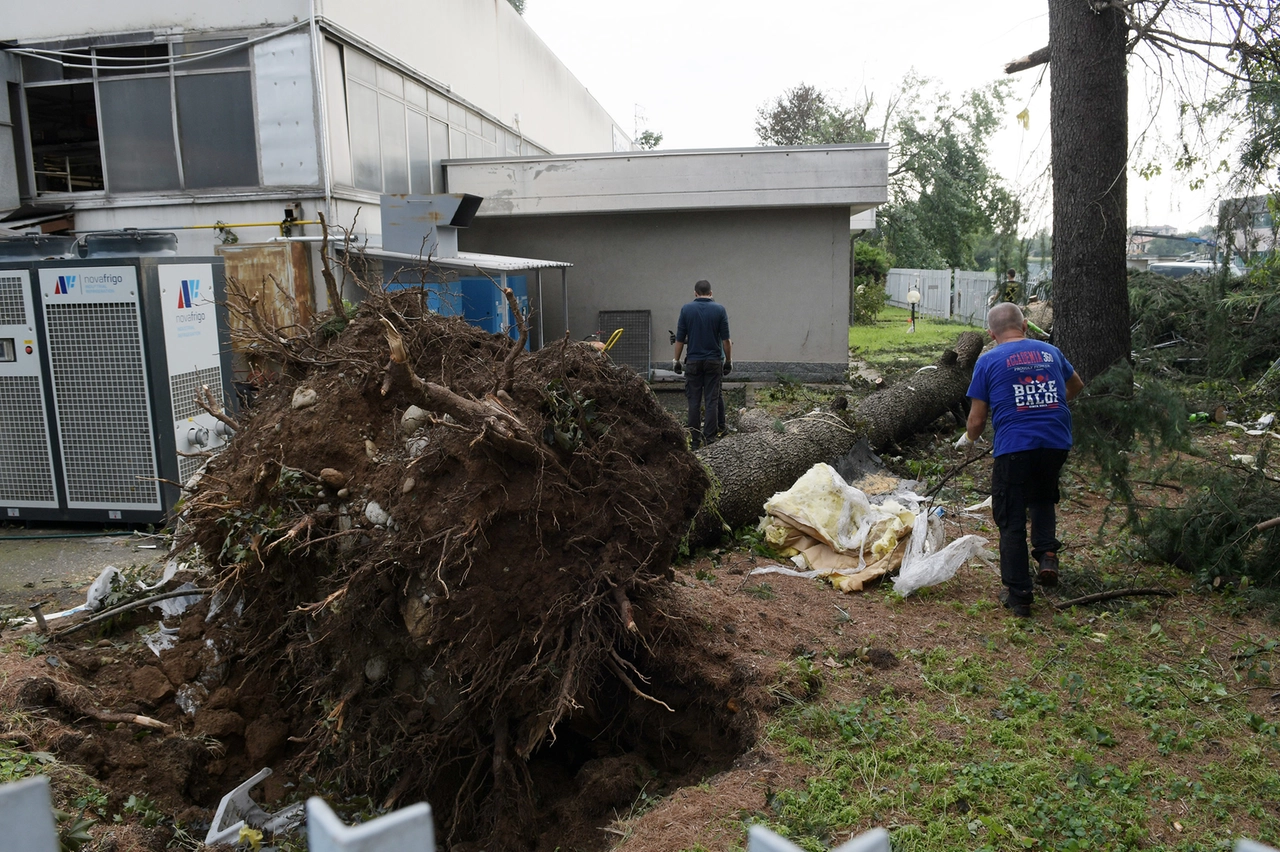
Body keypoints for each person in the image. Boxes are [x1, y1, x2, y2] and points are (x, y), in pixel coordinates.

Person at [956, 302, 1084, 617]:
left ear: (991, 333)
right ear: (1024, 325)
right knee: (1042, 496)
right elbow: (1076, 385)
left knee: (1011, 516)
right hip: (1056, 441)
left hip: (1015, 447)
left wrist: (969, 440)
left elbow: (976, 422)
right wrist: (1046, 405)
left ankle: (1019, 594)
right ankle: (1047, 555)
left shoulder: (988, 360)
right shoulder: (1049, 352)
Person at [673, 279, 732, 448]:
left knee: (694, 401)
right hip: (714, 361)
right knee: (712, 400)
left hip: (693, 361)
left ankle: (695, 440)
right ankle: (710, 439)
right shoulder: (720, 310)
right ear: (711, 293)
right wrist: (728, 361)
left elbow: (679, 339)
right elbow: (726, 340)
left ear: (695, 293)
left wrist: (676, 361)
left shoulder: (686, 309)